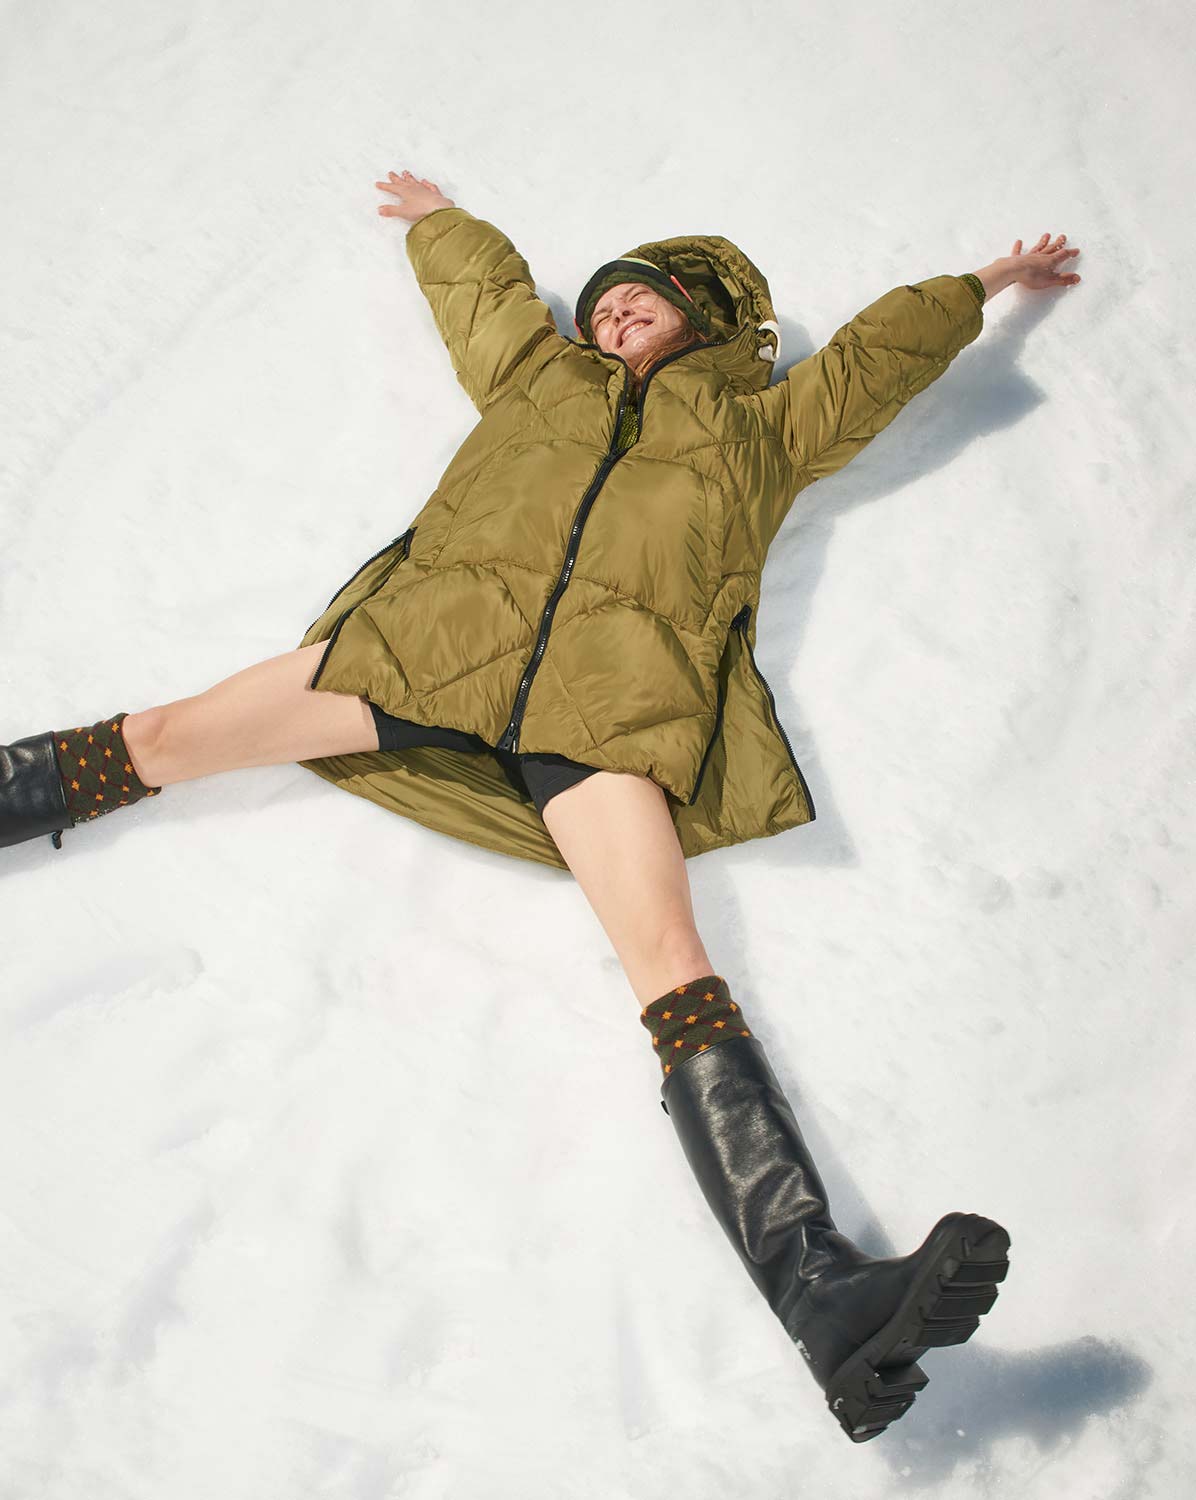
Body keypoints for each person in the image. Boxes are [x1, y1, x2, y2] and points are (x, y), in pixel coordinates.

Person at [0, 169, 1082, 1441]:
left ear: (703, 318)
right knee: (164, 737)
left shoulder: (763, 430)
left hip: (608, 716)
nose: (615, 312)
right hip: (426, 650)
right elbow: (486, 302)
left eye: (644, 299)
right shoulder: (537, 379)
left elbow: (873, 363)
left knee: (672, 964)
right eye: (606, 300)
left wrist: (984, 284)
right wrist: (440, 223)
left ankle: (823, 1293)